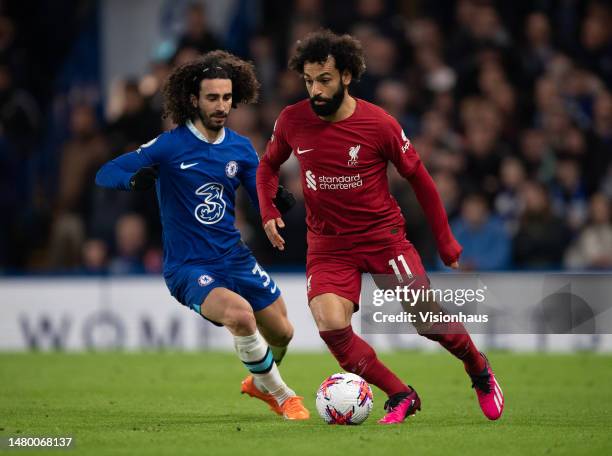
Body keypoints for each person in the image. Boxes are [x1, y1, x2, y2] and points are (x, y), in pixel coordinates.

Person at [256, 30, 504, 424]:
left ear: (347, 76)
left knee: (427, 320)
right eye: (308, 81)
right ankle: (402, 394)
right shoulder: (292, 120)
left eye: (324, 80)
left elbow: (420, 178)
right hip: (328, 244)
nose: (315, 90)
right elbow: (268, 165)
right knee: (330, 325)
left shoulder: (379, 124)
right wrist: (268, 208)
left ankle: (478, 367)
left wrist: (445, 240)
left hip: (382, 239)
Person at [96, 50, 308, 420]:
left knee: (283, 332)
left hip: (235, 258)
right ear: (193, 99)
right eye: (213, 97)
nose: (221, 105)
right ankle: (283, 395)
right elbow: (106, 172)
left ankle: (260, 381)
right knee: (241, 317)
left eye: (227, 97)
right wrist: (133, 178)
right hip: (189, 266)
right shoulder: (170, 146)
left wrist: (274, 204)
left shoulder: (239, 148)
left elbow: (259, 191)